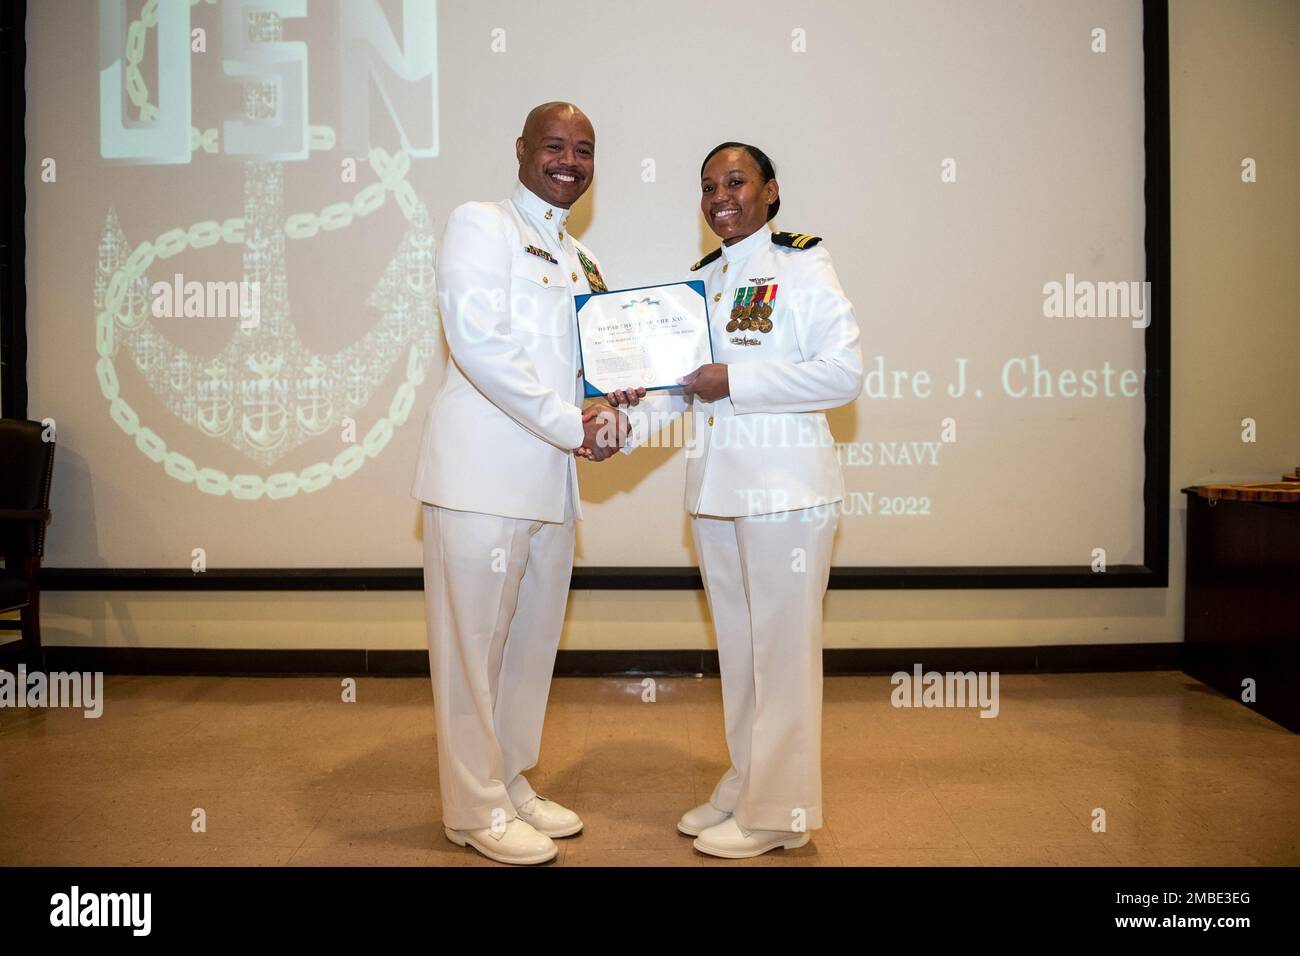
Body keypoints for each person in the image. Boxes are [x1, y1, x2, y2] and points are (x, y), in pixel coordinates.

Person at [609, 142, 863, 859]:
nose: (721, 196)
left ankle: (780, 813)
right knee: (744, 652)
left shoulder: (802, 264)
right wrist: (619, 426)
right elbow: (684, 384)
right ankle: (750, 778)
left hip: (785, 495)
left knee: (781, 655)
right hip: (718, 494)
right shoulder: (705, 280)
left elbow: (842, 374)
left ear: (771, 190)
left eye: (736, 181)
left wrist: (740, 383)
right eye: (709, 186)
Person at [411, 102, 628, 865]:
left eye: (585, 150)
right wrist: (576, 423)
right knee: (474, 650)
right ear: (522, 151)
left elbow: (588, 370)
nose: (569, 160)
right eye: (555, 146)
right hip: (481, 480)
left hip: (550, 484)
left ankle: (507, 779)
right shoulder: (482, 224)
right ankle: (473, 809)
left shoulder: (582, 259)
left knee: (529, 647)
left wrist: (612, 403)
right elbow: (482, 346)